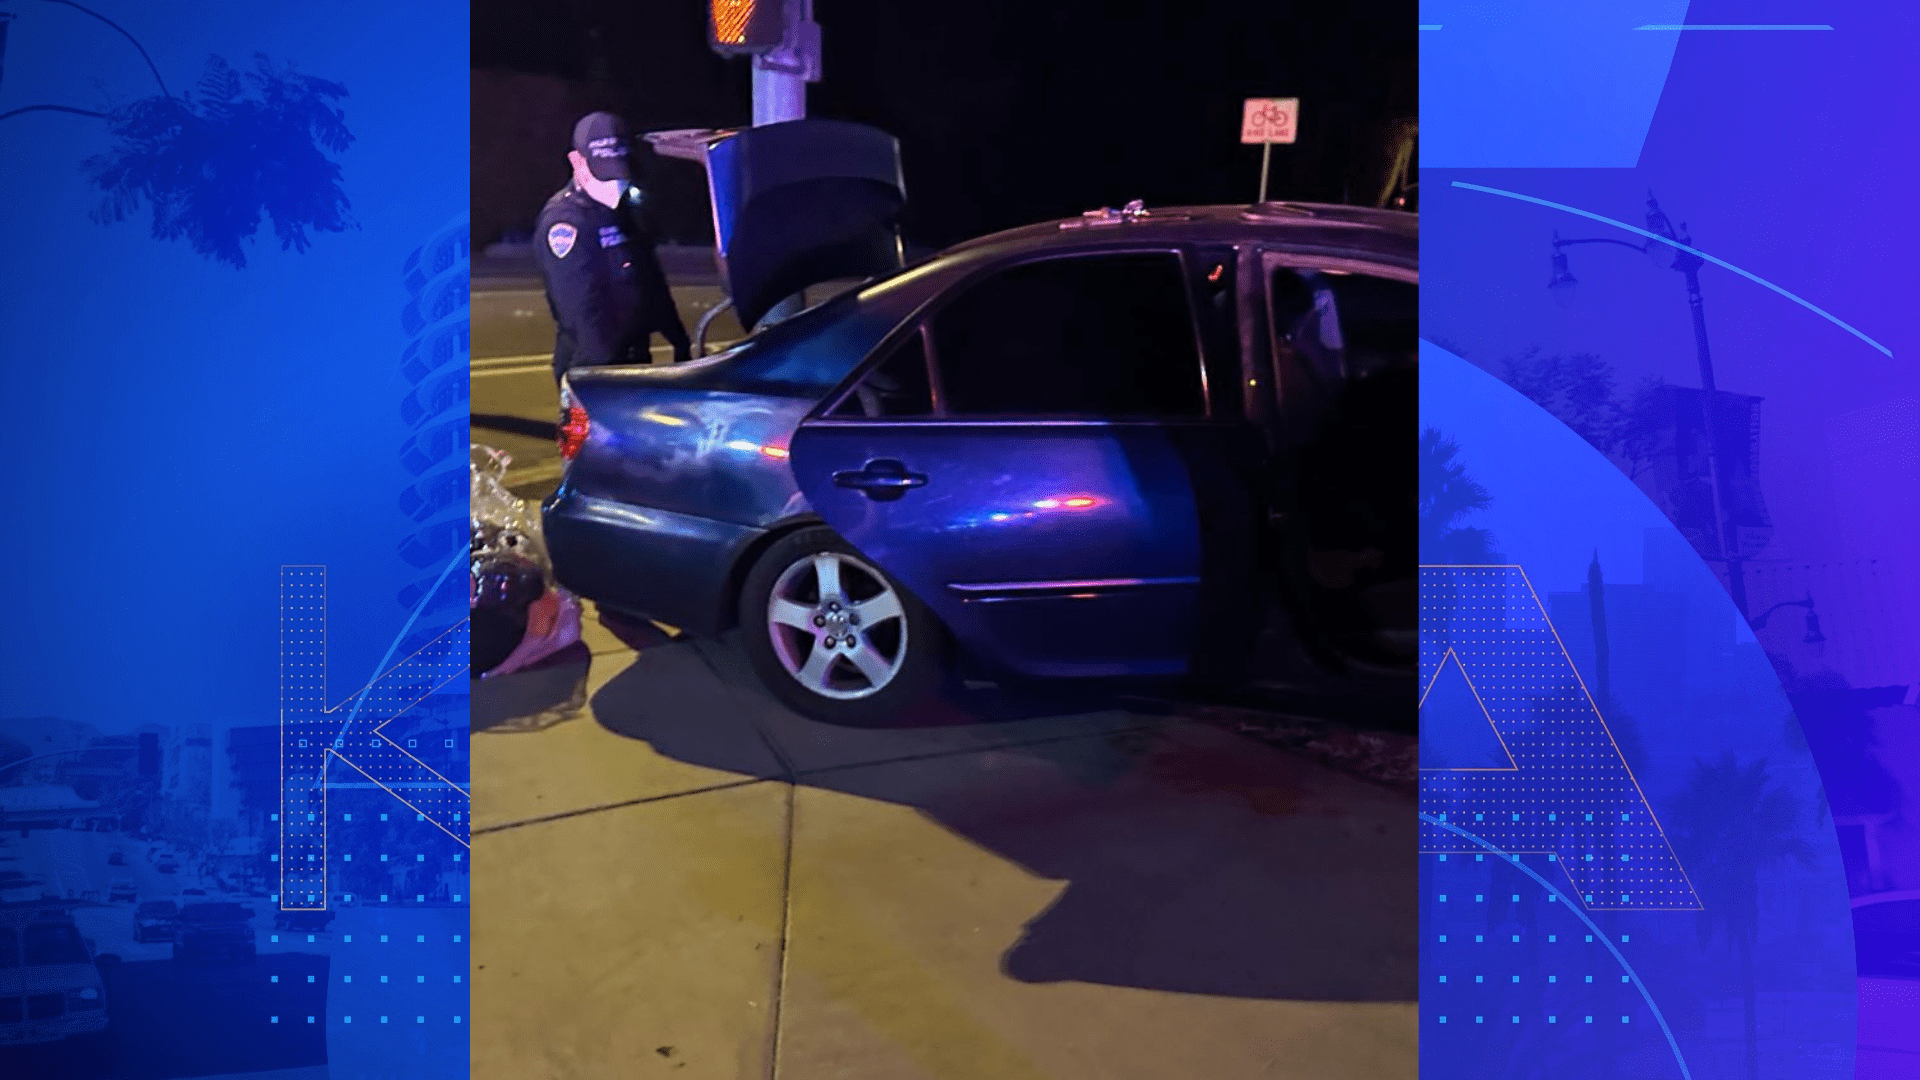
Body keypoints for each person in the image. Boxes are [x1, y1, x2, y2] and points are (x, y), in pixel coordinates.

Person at [534, 111, 691, 385]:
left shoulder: (624, 210)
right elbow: (583, 310)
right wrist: (600, 382)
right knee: (579, 429)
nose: (613, 187)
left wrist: (677, 337)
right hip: (590, 370)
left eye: (619, 175)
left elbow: (648, 275)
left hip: (634, 361)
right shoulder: (565, 222)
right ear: (576, 162)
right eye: (603, 176)